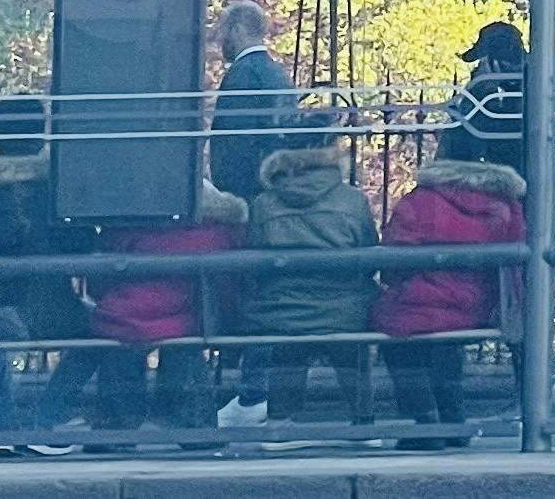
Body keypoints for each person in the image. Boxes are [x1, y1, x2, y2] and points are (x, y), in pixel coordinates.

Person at [0, 94, 97, 447]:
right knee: (97, 335)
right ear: (41, 132)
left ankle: (6, 428)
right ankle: (46, 418)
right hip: (47, 301)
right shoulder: (54, 187)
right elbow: (83, 242)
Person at [217, 137, 378, 431]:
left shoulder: (264, 203)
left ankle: (280, 421)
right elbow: (369, 253)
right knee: (351, 351)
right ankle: (364, 421)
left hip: (283, 307)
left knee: (288, 349)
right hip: (345, 307)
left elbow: (254, 259)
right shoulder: (352, 200)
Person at [372, 153, 527, 450]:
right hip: (482, 304)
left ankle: (425, 421)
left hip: (422, 300)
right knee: (445, 343)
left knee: (396, 337)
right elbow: (516, 255)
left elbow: (394, 258)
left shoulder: (421, 200)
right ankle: (453, 420)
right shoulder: (505, 203)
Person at [82, 182, 249, 441]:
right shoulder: (217, 231)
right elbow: (226, 283)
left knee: (120, 359)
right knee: (186, 354)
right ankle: (196, 430)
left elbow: (99, 279)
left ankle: (116, 433)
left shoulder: (126, 226)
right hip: (186, 317)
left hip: (124, 316)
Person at [438, 19, 555, 210]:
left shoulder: (553, 65)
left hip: (549, 153)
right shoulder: (484, 78)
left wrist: (529, 86)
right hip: (504, 160)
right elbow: (469, 119)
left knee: (548, 205)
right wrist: (483, 90)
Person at [206, 3, 302, 203]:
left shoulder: (241, 75)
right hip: (274, 186)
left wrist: (226, 190)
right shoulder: (278, 74)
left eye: (224, 30)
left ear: (237, 30)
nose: (221, 38)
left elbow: (233, 141)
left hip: (245, 192)